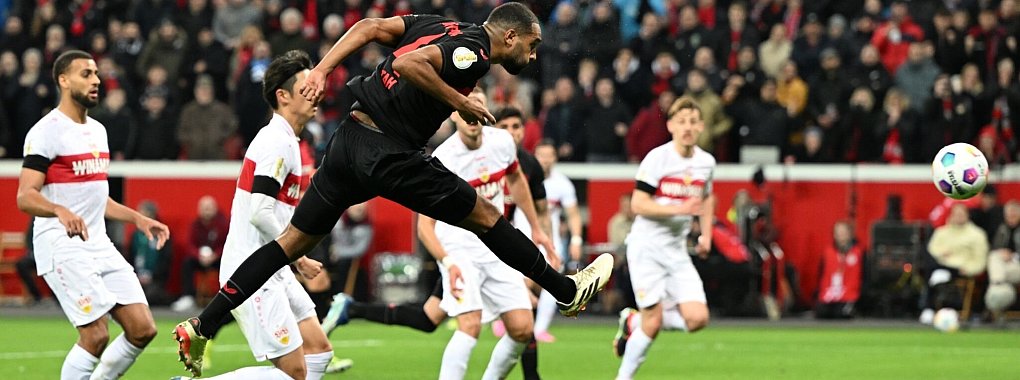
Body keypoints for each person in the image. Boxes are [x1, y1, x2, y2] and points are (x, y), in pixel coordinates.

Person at [173, 5, 614, 375]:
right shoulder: (475, 52)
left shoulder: (441, 24)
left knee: (290, 245)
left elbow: (369, 28)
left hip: (349, 139)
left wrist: (323, 70)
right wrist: (462, 103)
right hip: (388, 152)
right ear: (512, 36)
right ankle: (564, 290)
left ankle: (202, 325)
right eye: (533, 46)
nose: (534, 56)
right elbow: (407, 64)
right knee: (484, 215)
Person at [172, 50, 334, 380]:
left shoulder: (288, 140)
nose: (316, 91)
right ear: (283, 96)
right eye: (306, 86)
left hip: (273, 267)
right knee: (295, 374)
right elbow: (261, 211)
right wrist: (298, 258)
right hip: (253, 271)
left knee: (319, 350)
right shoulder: (276, 141)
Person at [16, 49, 169, 379]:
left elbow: (97, 198)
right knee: (96, 335)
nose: (96, 80)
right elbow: (25, 196)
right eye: (86, 74)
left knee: (142, 328)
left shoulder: (98, 131)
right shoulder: (46, 131)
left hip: (98, 243)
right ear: (63, 80)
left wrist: (136, 218)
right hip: (62, 244)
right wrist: (58, 209)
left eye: (96, 73)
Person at [423, 103, 545, 380]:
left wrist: (537, 229)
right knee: (469, 325)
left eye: (476, 108)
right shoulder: (441, 159)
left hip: (495, 244)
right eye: (463, 110)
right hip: (458, 247)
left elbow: (516, 178)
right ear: (453, 114)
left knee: (523, 328)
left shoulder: (501, 141)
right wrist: (447, 261)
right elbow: (424, 227)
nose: (471, 116)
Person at [612, 97, 714, 380]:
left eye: (693, 121)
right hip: (646, 248)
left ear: (702, 126)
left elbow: (706, 198)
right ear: (670, 125)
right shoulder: (658, 158)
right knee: (653, 323)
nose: (688, 128)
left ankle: (634, 320)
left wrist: (705, 234)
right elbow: (638, 204)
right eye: (681, 122)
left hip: (677, 251)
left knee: (697, 319)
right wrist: (680, 209)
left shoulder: (706, 163)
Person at [529, 139, 584, 342]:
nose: (545, 160)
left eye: (549, 156)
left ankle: (540, 329)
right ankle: (507, 318)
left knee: (551, 281)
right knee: (520, 280)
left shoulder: (562, 183)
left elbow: (573, 214)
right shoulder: (523, 177)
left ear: (555, 158)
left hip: (550, 239)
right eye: (541, 155)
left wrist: (576, 239)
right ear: (534, 157)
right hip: (522, 233)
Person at [920, 203, 988, 324]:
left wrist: (969, 269)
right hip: (941, 265)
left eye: (961, 214)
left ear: (967, 216)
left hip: (962, 269)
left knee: (935, 272)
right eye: (956, 214)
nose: (959, 217)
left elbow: (980, 259)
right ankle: (931, 307)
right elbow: (933, 250)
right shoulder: (941, 232)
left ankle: (929, 308)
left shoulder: (977, 234)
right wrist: (942, 254)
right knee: (931, 266)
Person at [171, 195, 229, 312]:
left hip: (218, 259)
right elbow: (190, 244)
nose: (206, 211)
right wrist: (199, 255)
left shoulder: (223, 224)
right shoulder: (195, 225)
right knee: (187, 263)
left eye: (209, 208)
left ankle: (226, 298)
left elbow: (228, 244)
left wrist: (215, 255)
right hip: (200, 259)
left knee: (228, 265)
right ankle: (188, 297)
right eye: (204, 208)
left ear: (215, 208)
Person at [127, 200, 173, 306]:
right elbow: (129, 257)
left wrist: (152, 276)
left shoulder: (162, 234)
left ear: (150, 215)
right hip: (136, 277)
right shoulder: (135, 235)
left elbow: (166, 260)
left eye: (141, 213)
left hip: (155, 279)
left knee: (152, 296)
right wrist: (135, 275)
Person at [814, 221, 863, 319]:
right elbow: (821, 275)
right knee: (822, 312)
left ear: (849, 234)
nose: (841, 237)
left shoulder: (858, 253)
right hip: (829, 295)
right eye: (838, 233)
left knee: (841, 314)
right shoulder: (827, 253)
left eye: (843, 233)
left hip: (849, 295)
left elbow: (864, 277)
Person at [985, 200, 1020, 320]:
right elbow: (993, 248)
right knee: (994, 256)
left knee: (995, 261)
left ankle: (995, 288)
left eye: (1014, 213)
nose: (1011, 216)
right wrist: (1001, 253)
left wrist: (1013, 256)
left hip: (1017, 267)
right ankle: (999, 286)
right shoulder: (1001, 229)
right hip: (1004, 268)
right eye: (1009, 214)